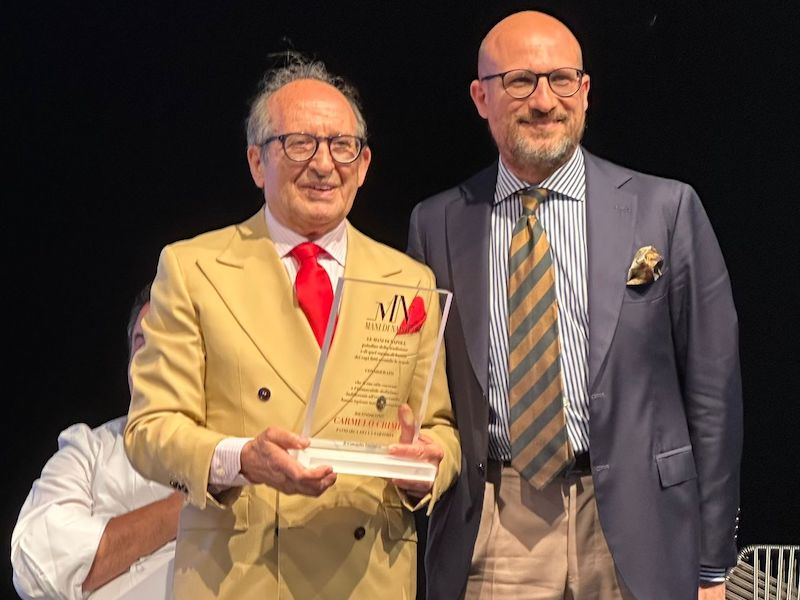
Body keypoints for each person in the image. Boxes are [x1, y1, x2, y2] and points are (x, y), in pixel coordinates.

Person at [407, 10, 742, 600]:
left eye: (561, 79)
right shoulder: (436, 222)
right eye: (519, 81)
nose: (544, 101)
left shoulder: (666, 209)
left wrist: (712, 564)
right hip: (494, 522)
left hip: (642, 521)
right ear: (480, 97)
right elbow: (424, 382)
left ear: (585, 92)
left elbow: (713, 394)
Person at [123, 55, 460, 600]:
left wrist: (424, 466)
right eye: (299, 144)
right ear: (257, 162)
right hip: (241, 576)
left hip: (367, 577)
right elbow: (150, 430)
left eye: (342, 146)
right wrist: (239, 458)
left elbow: (440, 428)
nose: (324, 164)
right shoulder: (193, 268)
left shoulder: (408, 279)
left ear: (365, 162)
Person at [11, 284, 181, 600]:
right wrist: (185, 509)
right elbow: (35, 561)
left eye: (162, 343)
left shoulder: (235, 448)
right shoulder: (88, 449)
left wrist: (103, 547)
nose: (145, 359)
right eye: (139, 343)